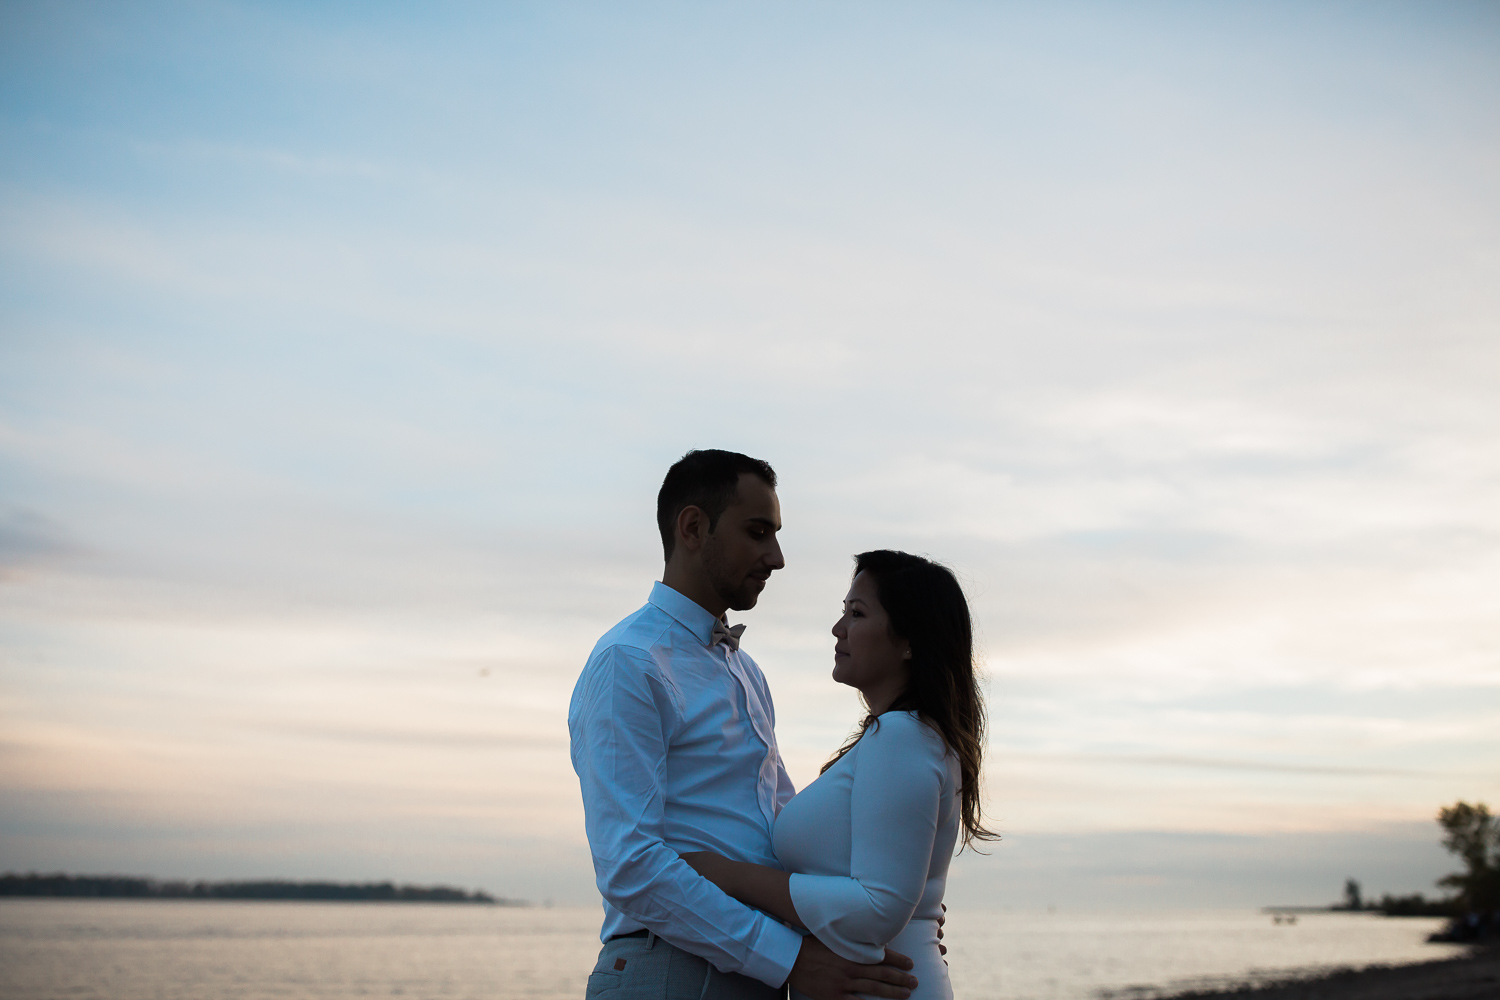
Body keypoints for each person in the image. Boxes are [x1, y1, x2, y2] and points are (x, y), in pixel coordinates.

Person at [569, 450, 921, 1000]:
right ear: (692, 527)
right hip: (672, 971)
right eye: (758, 533)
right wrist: (790, 959)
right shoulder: (629, 662)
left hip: (750, 970)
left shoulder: (745, 672)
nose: (776, 557)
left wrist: (898, 921)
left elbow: (781, 838)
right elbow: (630, 864)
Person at [678, 549, 994, 1000]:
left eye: (858, 613)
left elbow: (878, 907)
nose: (838, 628)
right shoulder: (905, 738)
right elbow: (895, 899)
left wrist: (723, 873)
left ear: (909, 641)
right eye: (843, 611)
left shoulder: (902, 736)